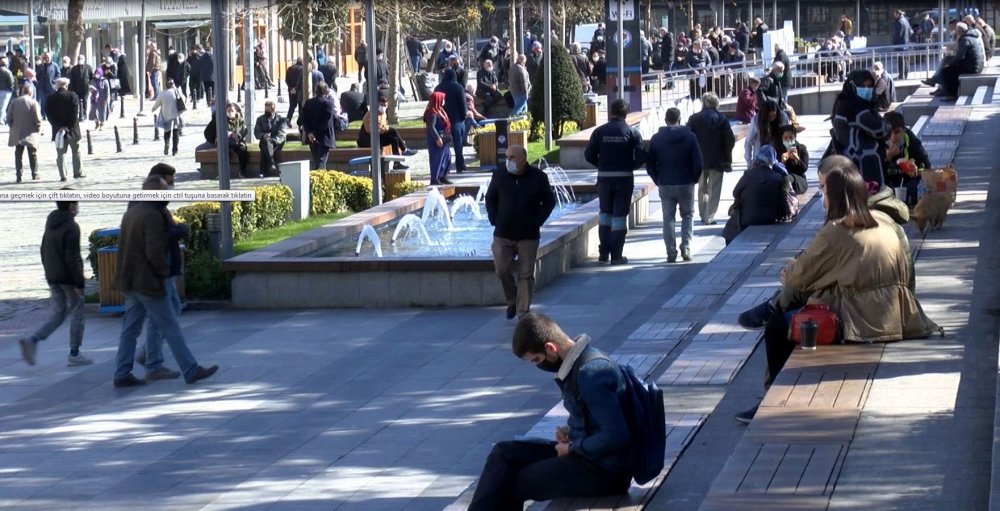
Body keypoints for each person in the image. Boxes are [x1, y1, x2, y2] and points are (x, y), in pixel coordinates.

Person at [733, 157, 938, 423]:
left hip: (860, 321)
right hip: (900, 312)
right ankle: (773, 308)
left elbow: (801, 275)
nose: (823, 198)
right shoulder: (884, 220)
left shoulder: (836, 231)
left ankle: (771, 399)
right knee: (810, 291)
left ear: (837, 196)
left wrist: (791, 269)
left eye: (824, 191)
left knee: (778, 326)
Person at [468, 312, 633, 509]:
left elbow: (617, 435)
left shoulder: (590, 374)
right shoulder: (578, 364)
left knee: (517, 481)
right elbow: (596, 416)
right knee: (503, 453)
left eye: (536, 359)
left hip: (605, 471)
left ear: (550, 348)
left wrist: (572, 448)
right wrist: (571, 430)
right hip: (587, 454)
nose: (538, 365)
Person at [114, 175, 219, 387]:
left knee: (130, 330)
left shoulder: (132, 212)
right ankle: (190, 370)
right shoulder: (152, 215)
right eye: (164, 191)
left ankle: (122, 372)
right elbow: (154, 251)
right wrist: (163, 274)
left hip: (131, 281)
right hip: (148, 282)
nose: (168, 195)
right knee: (170, 326)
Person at [17, 199, 91, 366]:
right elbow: (73, 258)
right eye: (76, 203)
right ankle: (74, 354)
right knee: (78, 312)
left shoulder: (50, 223)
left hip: (53, 276)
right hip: (68, 279)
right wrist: (79, 283)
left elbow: (43, 250)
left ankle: (33, 340)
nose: (78, 206)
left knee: (59, 313)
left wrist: (49, 273)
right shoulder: (71, 227)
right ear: (71, 205)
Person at [485, 145, 557, 319]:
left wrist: (537, 222)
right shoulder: (499, 175)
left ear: (523, 159)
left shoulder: (538, 177)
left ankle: (523, 312)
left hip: (528, 236)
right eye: (507, 157)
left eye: (512, 158)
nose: (508, 161)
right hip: (503, 234)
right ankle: (512, 301)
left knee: (525, 274)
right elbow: (490, 198)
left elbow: (549, 201)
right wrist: (494, 219)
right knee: (502, 270)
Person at [133, 164, 188, 381]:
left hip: (160, 270)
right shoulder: (147, 206)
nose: (171, 187)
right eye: (169, 182)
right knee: (162, 317)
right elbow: (156, 239)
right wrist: (179, 231)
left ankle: (149, 355)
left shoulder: (157, 205)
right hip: (155, 271)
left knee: (166, 313)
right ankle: (153, 361)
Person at [584, 99, 646, 264]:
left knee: (605, 214)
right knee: (619, 217)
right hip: (624, 179)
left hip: (604, 179)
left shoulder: (599, 131)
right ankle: (616, 255)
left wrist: (601, 166)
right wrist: (630, 166)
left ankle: (604, 252)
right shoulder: (632, 132)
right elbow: (641, 156)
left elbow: (588, 155)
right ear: (626, 113)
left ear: (611, 112)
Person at [647, 108, 703, 263]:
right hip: (686, 182)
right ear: (680, 119)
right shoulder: (690, 137)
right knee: (688, 215)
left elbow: (650, 164)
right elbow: (698, 162)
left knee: (668, 218)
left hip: (665, 183)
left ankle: (671, 252)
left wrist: (657, 179)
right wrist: (694, 179)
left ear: (665, 120)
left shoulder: (656, 138)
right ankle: (686, 248)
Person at [723, 146, 794, 245]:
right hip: (770, 218)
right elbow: (782, 200)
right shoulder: (778, 177)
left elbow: (735, 193)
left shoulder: (748, 174)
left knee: (730, 227)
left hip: (748, 218)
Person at [830, 69, 886, 186]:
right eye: (862, 85)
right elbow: (879, 129)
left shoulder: (841, 102)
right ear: (852, 85)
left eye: (869, 86)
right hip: (861, 162)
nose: (866, 89)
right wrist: (886, 124)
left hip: (846, 160)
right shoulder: (856, 107)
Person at [688, 92, 736, 225]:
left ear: (703, 103)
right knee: (714, 188)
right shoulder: (722, 119)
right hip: (718, 160)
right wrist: (726, 154)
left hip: (699, 160)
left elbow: (688, 138)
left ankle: (703, 213)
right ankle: (709, 216)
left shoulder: (694, 118)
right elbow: (730, 139)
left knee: (702, 187)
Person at [883, 111, 930, 206]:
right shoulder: (878, 143)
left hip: (908, 184)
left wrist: (916, 172)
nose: (893, 137)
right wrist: (887, 158)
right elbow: (873, 173)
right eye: (889, 133)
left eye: (897, 132)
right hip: (887, 185)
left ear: (904, 130)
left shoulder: (913, 143)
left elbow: (927, 167)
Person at [358, 95, 416, 170]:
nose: (383, 107)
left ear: (387, 106)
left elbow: (383, 128)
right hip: (367, 139)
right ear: (378, 104)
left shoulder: (384, 114)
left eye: (384, 105)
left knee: (394, 139)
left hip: (377, 137)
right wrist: (383, 129)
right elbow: (369, 130)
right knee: (393, 130)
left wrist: (384, 129)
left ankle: (397, 163)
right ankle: (404, 150)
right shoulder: (371, 114)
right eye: (381, 105)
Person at [45, 78, 84, 181]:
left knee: (61, 153)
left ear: (57, 86)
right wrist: (68, 126)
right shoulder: (73, 96)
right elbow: (75, 113)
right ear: (66, 85)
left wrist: (58, 126)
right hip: (72, 130)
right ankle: (77, 172)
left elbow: (49, 115)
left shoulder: (50, 98)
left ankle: (63, 175)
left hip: (58, 131)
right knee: (76, 151)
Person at [937, 22, 985, 101]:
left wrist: (949, 64)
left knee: (946, 71)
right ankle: (944, 89)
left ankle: (951, 94)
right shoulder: (973, 36)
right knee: (949, 62)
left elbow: (960, 56)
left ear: (958, 31)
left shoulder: (964, 39)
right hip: (976, 65)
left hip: (972, 68)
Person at [434, 68, 468, 174]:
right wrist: (464, 116)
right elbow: (463, 104)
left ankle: (444, 167)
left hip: (442, 120)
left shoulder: (438, 88)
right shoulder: (458, 87)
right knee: (458, 144)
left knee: (444, 145)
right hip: (456, 119)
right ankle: (459, 165)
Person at [7, 84, 41, 183]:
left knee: (18, 154)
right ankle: (35, 174)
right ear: (30, 92)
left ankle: (19, 175)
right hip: (30, 132)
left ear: (22, 92)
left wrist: (13, 127)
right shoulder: (33, 102)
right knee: (32, 154)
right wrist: (38, 129)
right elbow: (38, 119)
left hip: (17, 132)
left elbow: (9, 118)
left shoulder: (14, 102)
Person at [301, 81, 336, 170]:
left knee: (317, 160)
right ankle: (319, 178)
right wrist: (314, 133)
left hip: (311, 138)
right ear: (325, 90)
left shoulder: (308, 103)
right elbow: (326, 122)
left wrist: (309, 132)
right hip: (324, 137)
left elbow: (303, 119)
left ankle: (318, 177)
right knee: (321, 163)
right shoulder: (328, 103)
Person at [744, 98, 788, 167]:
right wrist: (749, 161)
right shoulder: (756, 120)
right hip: (760, 156)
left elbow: (788, 136)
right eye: (769, 116)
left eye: (774, 115)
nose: (772, 118)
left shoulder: (783, 117)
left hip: (779, 154)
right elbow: (748, 141)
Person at [151, 78, 185, 157]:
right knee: (176, 132)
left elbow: (157, 103)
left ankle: (167, 142)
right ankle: (175, 150)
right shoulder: (177, 91)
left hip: (166, 115)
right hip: (176, 114)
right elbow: (184, 99)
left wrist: (153, 109)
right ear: (173, 84)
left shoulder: (163, 93)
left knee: (167, 131)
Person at [253, 99, 287, 177]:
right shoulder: (260, 119)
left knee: (264, 148)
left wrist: (271, 141)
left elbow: (281, 134)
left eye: (268, 110)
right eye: (265, 110)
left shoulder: (281, 119)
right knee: (265, 143)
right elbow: (256, 132)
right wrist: (263, 135)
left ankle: (262, 171)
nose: (266, 112)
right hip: (265, 141)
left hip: (277, 143)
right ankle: (271, 164)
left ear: (273, 109)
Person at [424, 91, 452, 185]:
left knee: (447, 157)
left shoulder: (440, 109)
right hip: (437, 138)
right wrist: (437, 138)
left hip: (444, 137)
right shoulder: (432, 112)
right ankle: (435, 178)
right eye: (442, 99)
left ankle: (443, 176)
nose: (443, 100)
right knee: (437, 159)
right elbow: (431, 127)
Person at [775, 125, 809, 194]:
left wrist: (797, 159)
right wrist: (782, 162)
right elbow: (775, 170)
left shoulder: (802, 148)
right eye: (785, 138)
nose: (788, 140)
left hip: (799, 181)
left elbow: (804, 168)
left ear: (795, 137)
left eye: (791, 137)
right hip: (782, 179)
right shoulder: (778, 150)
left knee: (788, 178)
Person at [68, 55, 93, 121]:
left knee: (84, 101)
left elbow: (91, 77)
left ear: (84, 59)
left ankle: (84, 115)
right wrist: (72, 88)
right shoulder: (74, 69)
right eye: (79, 59)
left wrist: (90, 84)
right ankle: (80, 115)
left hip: (85, 88)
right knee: (78, 102)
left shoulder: (88, 67)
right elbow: (72, 79)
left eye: (81, 58)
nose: (80, 60)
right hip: (77, 88)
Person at [35, 52, 59, 120]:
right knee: (43, 102)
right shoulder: (41, 66)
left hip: (51, 87)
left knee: (52, 102)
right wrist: (41, 66)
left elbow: (58, 74)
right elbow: (37, 74)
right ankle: (43, 114)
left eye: (48, 58)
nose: (47, 59)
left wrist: (54, 81)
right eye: (45, 58)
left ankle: (52, 114)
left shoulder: (54, 65)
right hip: (42, 87)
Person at [891, 10, 912, 79]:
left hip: (900, 44)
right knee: (905, 60)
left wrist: (894, 42)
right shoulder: (906, 21)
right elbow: (910, 32)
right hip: (906, 44)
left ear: (898, 14)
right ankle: (905, 75)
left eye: (895, 14)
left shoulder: (899, 22)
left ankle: (901, 75)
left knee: (901, 60)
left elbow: (898, 35)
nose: (894, 16)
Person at [90, 65, 112, 130]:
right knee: (93, 111)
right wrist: (92, 89)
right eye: (96, 73)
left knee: (102, 111)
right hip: (94, 98)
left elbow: (107, 91)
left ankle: (102, 124)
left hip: (102, 98)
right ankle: (96, 123)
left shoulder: (104, 81)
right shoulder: (93, 80)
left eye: (98, 73)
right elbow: (91, 88)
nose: (97, 74)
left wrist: (107, 99)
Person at [285, 57, 304, 122]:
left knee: (292, 106)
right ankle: (300, 122)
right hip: (299, 90)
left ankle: (288, 120)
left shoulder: (290, 68)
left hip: (291, 90)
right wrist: (296, 88)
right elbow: (302, 81)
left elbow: (286, 80)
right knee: (300, 106)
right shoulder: (303, 69)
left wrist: (291, 88)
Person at [0, 57, 13, 122]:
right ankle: (1, 119)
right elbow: (11, 82)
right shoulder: (8, 72)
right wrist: (11, 89)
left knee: (2, 105)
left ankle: (4, 118)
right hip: (6, 91)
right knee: (3, 106)